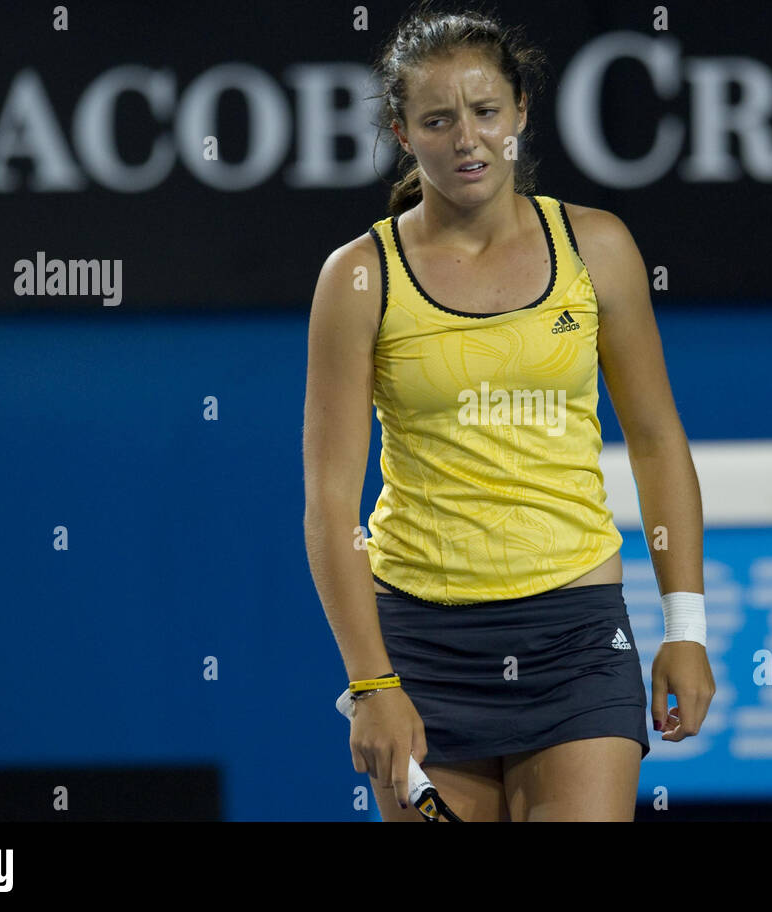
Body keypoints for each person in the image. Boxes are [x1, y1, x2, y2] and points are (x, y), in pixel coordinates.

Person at [303, 2, 713, 822]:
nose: (467, 139)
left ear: (521, 112)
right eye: (438, 118)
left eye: (487, 112)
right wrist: (372, 680)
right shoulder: (357, 279)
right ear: (400, 130)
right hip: (420, 647)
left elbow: (659, 442)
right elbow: (328, 501)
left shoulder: (599, 248)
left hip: (577, 638)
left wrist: (687, 627)